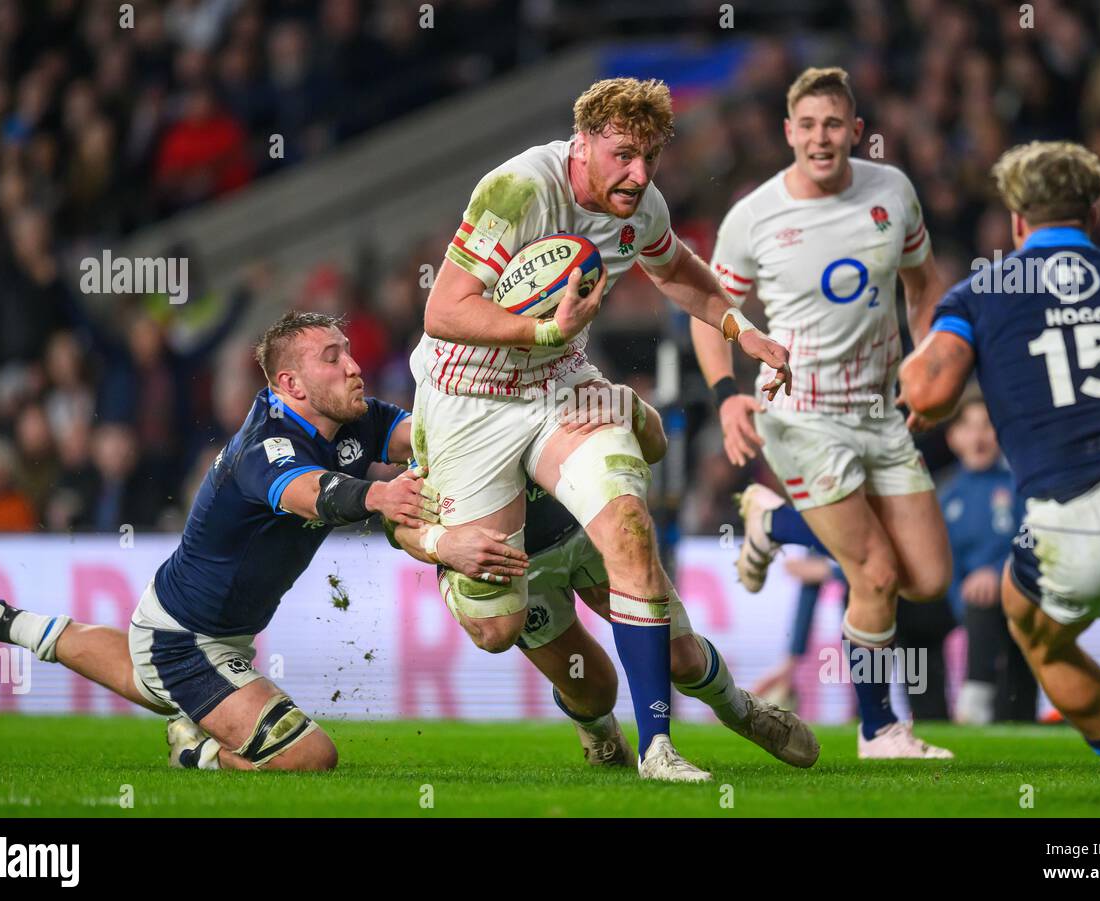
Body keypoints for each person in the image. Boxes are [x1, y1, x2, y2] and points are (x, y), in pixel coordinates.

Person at [0, 311, 527, 772]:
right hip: (187, 640)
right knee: (309, 756)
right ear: (290, 384)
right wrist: (376, 497)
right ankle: (197, 755)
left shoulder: (353, 419)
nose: (354, 366)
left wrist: (502, 418)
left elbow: (425, 437)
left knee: (144, 679)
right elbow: (310, 492)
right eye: (333, 358)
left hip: (181, 619)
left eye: (349, 351)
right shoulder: (263, 447)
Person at [412, 77, 793, 781]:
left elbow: (677, 270)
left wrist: (744, 331)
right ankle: (475, 566)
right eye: (622, 154)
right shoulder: (519, 189)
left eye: (649, 156)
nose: (639, 174)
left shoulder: (640, 206)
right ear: (580, 142)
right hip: (469, 398)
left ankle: (658, 748)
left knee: (628, 523)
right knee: (495, 628)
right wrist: (544, 327)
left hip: (558, 386)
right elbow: (443, 311)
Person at [900, 140, 1100, 795]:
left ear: (1018, 221)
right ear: (1094, 217)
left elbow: (929, 395)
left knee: (1034, 627)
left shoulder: (983, 292)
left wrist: (922, 334)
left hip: (1069, 517)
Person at [694, 67, 954, 758]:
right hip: (799, 412)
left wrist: (925, 362)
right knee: (874, 573)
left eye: (834, 124)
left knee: (927, 577)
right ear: (788, 133)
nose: (821, 137)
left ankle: (772, 520)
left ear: (856, 131)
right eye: (807, 125)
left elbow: (925, 285)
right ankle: (879, 730)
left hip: (879, 409)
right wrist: (727, 395)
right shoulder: (754, 216)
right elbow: (710, 312)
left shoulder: (892, 191)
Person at [388, 384, 818, 769]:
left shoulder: (555, 382)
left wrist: (631, 407)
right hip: (521, 568)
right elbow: (399, 520)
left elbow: (655, 445)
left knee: (682, 659)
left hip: (589, 534)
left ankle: (741, 711)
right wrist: (439, 547)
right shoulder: (448, 420)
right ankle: (599, 733)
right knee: (593, 688)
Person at [940, 393, 1038, 724]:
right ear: (953, 438)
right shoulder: (944, 496)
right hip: (967, 604)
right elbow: (943, 561)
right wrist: (961, 602)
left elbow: (1033, 538)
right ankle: (929, 712)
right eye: (967, 427)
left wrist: (999, 573)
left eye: (987, 426)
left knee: (1017, 715)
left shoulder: (1022, 486)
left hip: (1019, 594)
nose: (978, 436)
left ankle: (977, 696)